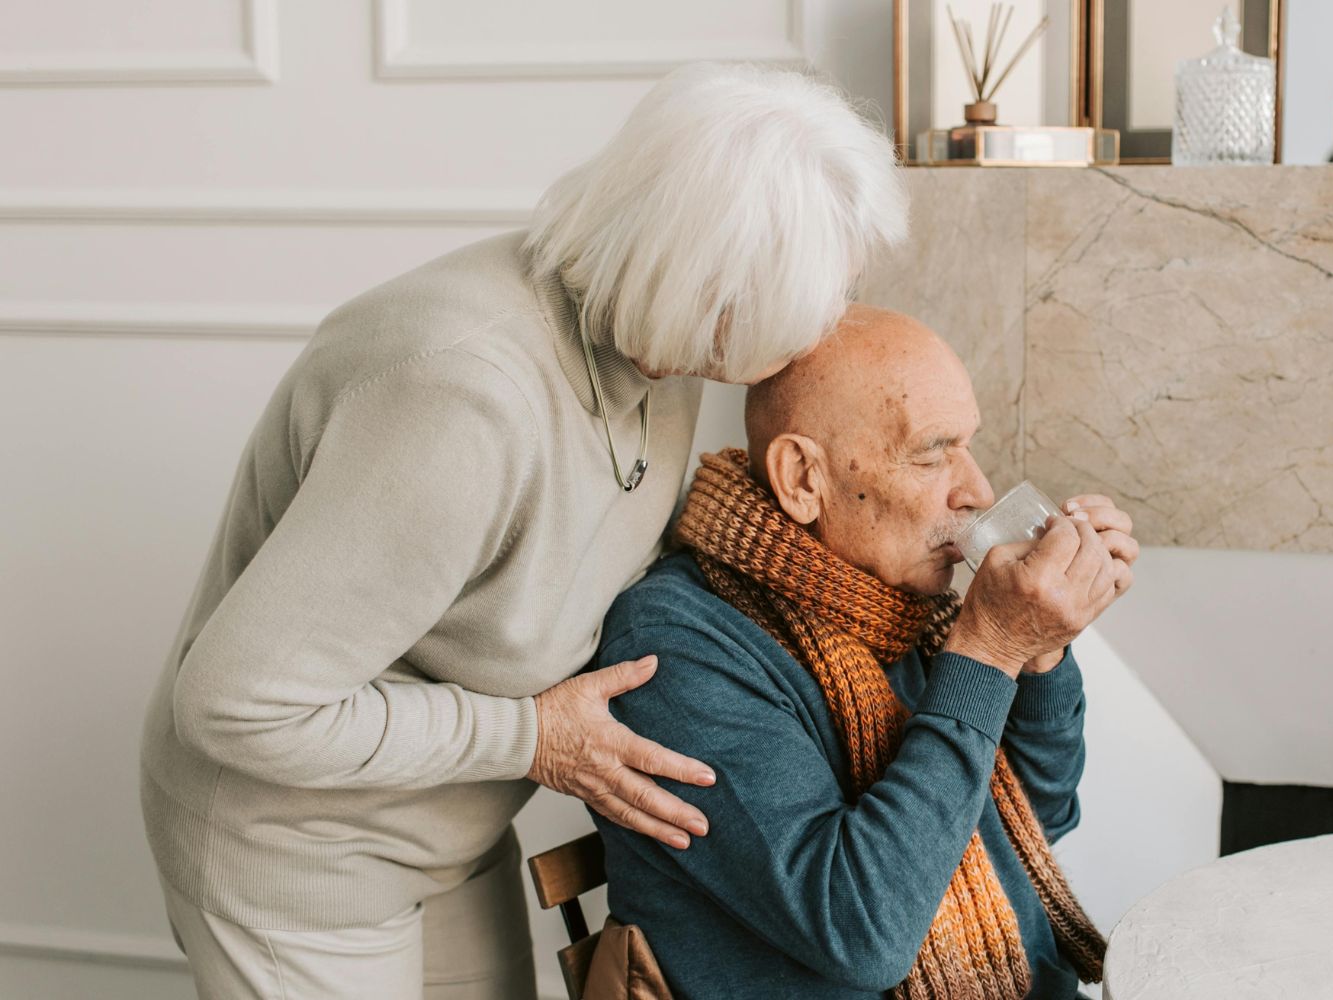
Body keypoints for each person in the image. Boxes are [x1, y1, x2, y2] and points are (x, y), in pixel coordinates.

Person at [137, 63, 909, 999]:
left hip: (447, 828)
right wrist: (530, 738)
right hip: (300, 857)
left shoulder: (661, 352)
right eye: (819, 288)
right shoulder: (458, 400)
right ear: (712, 283)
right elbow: (235, 706)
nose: (832, 319)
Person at [590, 305, 1140, 999]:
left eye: (968, 446)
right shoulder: (677, 650)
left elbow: (1035, 818)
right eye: (933, 452)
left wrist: (1039, 654)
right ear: (801, 479)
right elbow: (864, 934)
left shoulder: (897, 605)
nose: (977, 491)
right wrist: (990, 649)